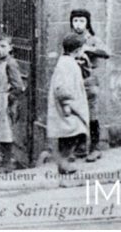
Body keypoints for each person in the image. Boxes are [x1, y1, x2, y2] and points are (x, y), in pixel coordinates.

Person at [68, 9, 109, 162]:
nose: (78, 24)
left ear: (87, 23)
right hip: (74, 81)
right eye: (75, 21)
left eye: (82, 21)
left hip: (89, 82)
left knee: (92, 115)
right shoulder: (70, 40)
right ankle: (80, 148)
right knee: (76, 114)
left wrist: (89, 49)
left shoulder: (92, 39)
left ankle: (95, 148)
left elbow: (106, 52)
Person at [0, 34, 26, 175]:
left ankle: (7, 163)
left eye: (3, 46)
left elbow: (18, 86)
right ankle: (3, 161)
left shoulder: (11, 63)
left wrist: (9, 99)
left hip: (4, 101)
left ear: (10, 48)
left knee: (5, 132)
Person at [48, 33, 89, 174]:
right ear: (77, 50)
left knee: (72, 133)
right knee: (71, 134)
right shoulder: (66, 65)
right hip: (69, 107)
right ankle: (64, 162)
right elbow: (61, 87)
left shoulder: (68, 62)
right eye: (82, 49)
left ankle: (64, 163)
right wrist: (66, 104)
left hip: (72, 106)